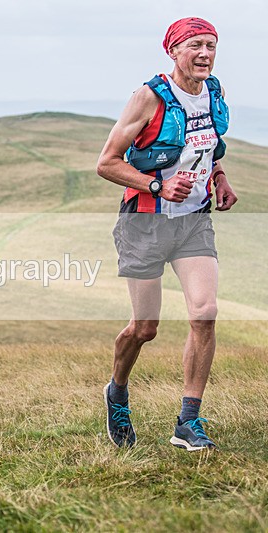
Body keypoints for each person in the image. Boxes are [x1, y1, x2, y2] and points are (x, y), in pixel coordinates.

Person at [97, 17, 237, 451]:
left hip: (194, 221)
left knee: (205, 312)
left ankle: (188, 422)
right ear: (173, 51)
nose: (205, 54)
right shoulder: (149, 98)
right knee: (145, 328)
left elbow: (206, 147)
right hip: (145, 222)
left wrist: (219, 177)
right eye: (195, 45)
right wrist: (157, 185)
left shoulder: (213, 92)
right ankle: (117, 392)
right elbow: (107, 163)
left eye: (210, 45)